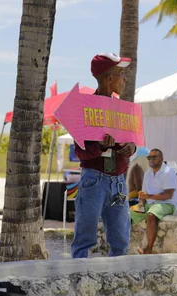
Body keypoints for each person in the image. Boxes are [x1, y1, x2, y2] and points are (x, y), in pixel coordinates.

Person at [71, 53, 136, 258]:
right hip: (94, 180)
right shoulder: (84, 108)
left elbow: (133, 142)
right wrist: (100, 146)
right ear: (110, 79)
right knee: (84, 240)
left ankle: (116, 285)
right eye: (121, 74)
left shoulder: (123, 110)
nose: (125, 79)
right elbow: (81, 153)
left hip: (118, 181)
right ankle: (78, 280)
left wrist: (131, 148)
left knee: (121, 241)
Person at [135, 149, 177, 254]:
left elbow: (168, 194)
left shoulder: (168, 172)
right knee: (128, 214)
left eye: (154, 157)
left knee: (151, 215)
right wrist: (140, 203)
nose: (151, 159)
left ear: (162, 159)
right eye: (149, 157)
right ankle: (126, 247)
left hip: (167, 203)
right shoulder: (147, 174)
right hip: (150, 203)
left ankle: (149, 248)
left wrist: (148, 196)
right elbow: (143, 194)